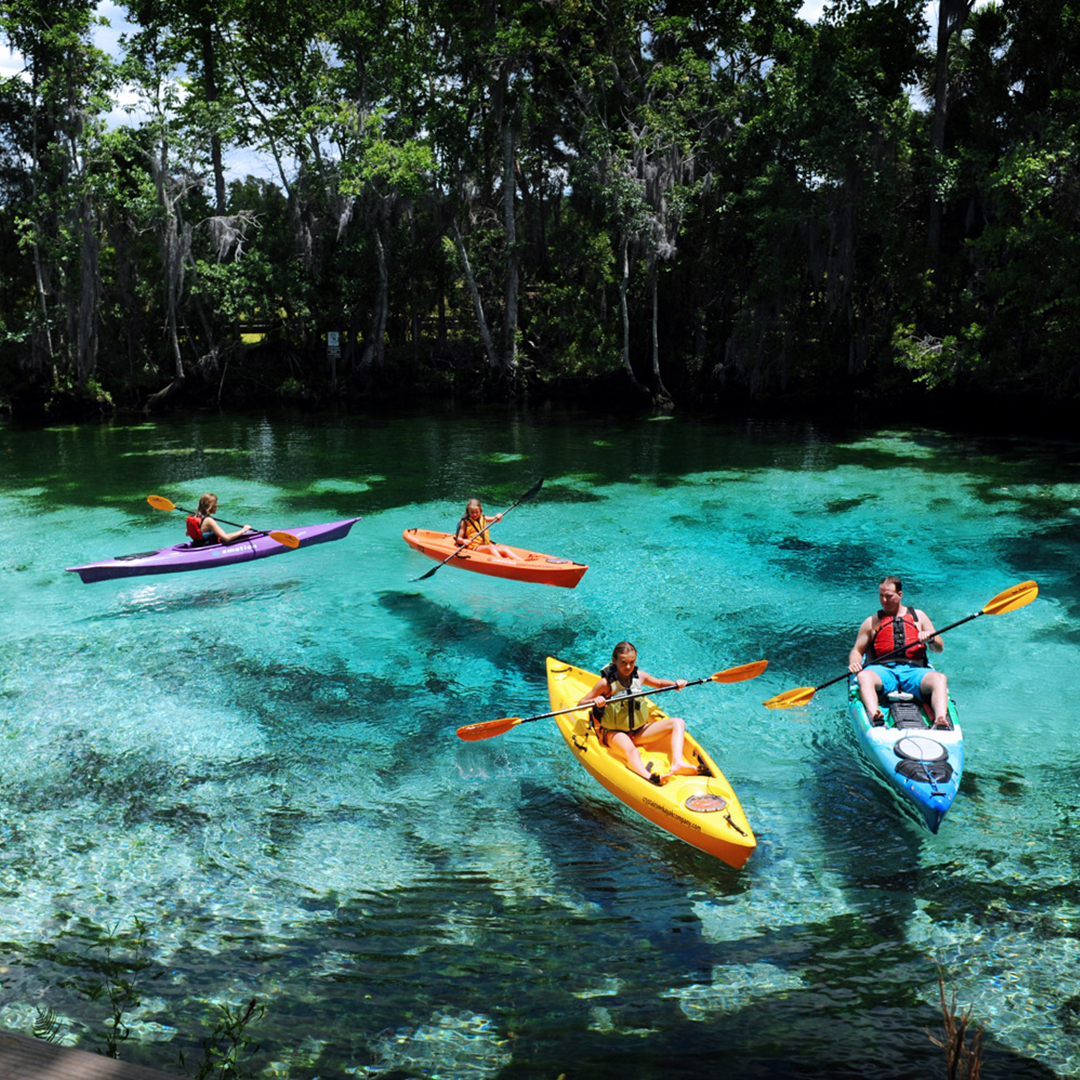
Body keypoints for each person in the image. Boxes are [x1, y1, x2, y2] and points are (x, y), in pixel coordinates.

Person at [577, 641, 694, 784]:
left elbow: (659, 683)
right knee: (633, 752)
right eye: (623, 662)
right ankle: (649, 777)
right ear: (614, 661)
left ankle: (677, 763)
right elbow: (580, 704)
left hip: (639, 731)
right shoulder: (605, 684)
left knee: (678, 723)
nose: (628, 667)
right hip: (614, 733)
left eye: (631, 663)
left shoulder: (640, 676)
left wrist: (676, 684)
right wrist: (596, 700)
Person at [848, 575, 950, 729]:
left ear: (900, 595)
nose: (884, 600)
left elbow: (939, 648)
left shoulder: (919, 617)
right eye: (881, 596)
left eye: (889, 596)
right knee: (864, 676)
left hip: (914, 671)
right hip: (883, 671)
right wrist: (854, 663)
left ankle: (940, 719)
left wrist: (930, 639)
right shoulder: (871, 622)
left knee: (940, 678)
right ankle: (874, 713)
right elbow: (857, 650)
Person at [454, 498, 521, 561]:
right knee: (490, 547)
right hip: (474, 547)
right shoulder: (465, 522)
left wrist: (498, 516)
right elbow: (458, 539)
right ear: (468, 512)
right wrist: (464, 541)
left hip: (485, 546)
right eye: (472, 512)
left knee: (504, 549)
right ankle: (502, 561)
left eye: (477, 512)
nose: (474, 514)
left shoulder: (483, 518)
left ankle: (522, 561)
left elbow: (496, 519)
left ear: (480, 510)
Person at [185, 493, 252, 546]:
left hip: (197, 545)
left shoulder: (195, 517)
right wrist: (243, 530)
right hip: (208, 547)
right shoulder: (209, 520)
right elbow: (226, 538)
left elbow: (187, 533)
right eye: (215, 506)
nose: (217, 508)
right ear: (210, 507)